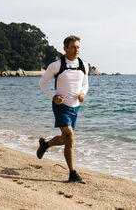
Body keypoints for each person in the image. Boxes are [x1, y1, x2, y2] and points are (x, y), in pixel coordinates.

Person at [37, 35, 89, 184]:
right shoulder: (56, 65)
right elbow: (42, 82)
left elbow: (85, 84)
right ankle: (73, 173)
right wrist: (53, 96)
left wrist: (83, 94)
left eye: (78, 47)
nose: (76, 49)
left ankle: (45, 145)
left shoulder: (84, 65)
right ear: (65, 48)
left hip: (75, 107)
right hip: (61, 106)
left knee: (66, 139)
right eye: (73, 47)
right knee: (70, 137)